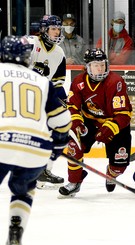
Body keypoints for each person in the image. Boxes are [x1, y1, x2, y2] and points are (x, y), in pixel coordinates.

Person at [0, 35, 71, 244]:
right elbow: (62, 121)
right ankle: (16, 228)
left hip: (2, 141)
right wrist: (56, 148)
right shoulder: (42, 81)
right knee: (23, 190)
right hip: (35, 149)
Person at [59, 48, 133, 197]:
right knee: (74, 143)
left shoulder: (116, 82)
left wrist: (109, 129)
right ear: (87, 67)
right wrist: (77, 123)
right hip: (90, 121)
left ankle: (111, 173)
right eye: (95, 65)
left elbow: (124, 114)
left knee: (119, 165)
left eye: (102, 64)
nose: (100, 68)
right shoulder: (79, 81)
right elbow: (72, 106)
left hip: (114, 123)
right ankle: (74, 182)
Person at [25, 14, 68, 188]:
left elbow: (57, 82)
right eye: (53, 29)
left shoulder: (59, 53)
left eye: (59, 29)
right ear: (44, 30)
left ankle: (40, 171)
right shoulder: (30, 43)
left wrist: (63, 100)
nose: (57, 32)